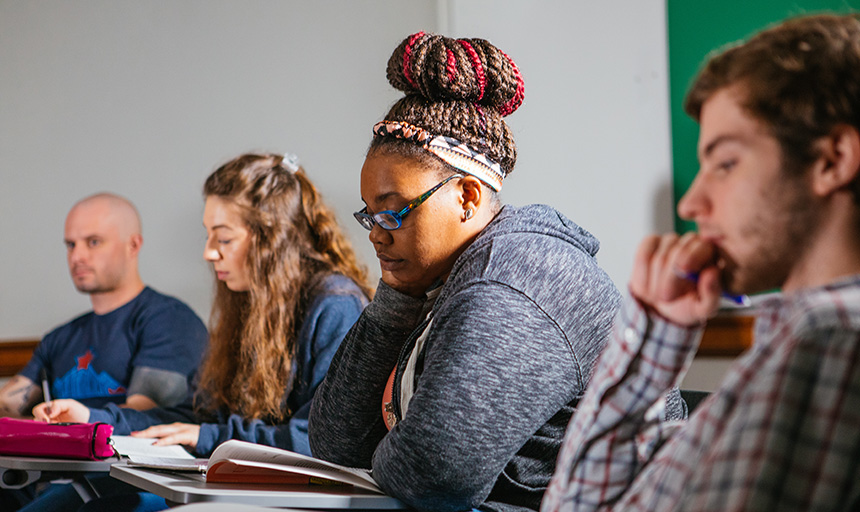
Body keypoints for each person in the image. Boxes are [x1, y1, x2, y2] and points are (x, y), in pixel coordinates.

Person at [308, 32, 684, 512]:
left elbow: (434, 475)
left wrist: (397, 454)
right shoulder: (442, 277)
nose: (377, 235)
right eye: (370, 215)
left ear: (466, 197)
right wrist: (397, 298)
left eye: (395, 212)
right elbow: (336, 446)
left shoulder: (514, 283)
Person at [541, 13, 860, 512]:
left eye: (726, 163)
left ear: (833, 160)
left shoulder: (828, 338)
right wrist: (657, 330)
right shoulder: (804, 337)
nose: (690, 204)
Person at [31, 153, 373, 512]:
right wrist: (93, 419)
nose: (209, 252)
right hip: (238, 488)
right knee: (70, 501)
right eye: (209, 236)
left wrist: (205, 436)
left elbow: (317, 442)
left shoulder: (335, 306)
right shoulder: (251, 306)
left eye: (223, 239)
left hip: (294, 501)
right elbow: (196, 415)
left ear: (271, 239)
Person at [0, 192, 207, 418]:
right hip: (61, 452)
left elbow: (147, 417)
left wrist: (76, 422)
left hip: (124, 453)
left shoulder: (170, 320)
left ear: (133, 245)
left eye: (93, 242)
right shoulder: (59, 338)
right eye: (71, 245)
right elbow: (7, 405)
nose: (77, 256)